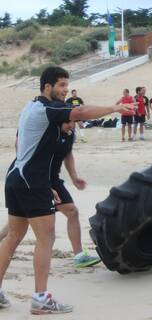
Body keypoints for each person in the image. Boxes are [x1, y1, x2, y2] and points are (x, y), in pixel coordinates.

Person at [0, 66, 131, 314]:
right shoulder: (48, 108)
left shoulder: (31, 107)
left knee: (13, 236)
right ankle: (40, 298)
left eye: (66, 86)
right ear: (47, 86)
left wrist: (45, 183)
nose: (64, 91)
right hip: (31, 181)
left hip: (18, 177)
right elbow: (80, 111)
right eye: (60, 86)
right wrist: (114, 108)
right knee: (45, 238)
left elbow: (26, 148)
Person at [0, 121, 101, 268]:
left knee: (72, 211)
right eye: (67, 122)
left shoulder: (70, 134)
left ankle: (79, 255)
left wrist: (74, 177)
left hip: (52, 179)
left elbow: (68, 155)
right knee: (20, 221)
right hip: (33, 178)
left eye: (73, 122)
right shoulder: (46, 133)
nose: (71, 126)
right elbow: (21, 149)